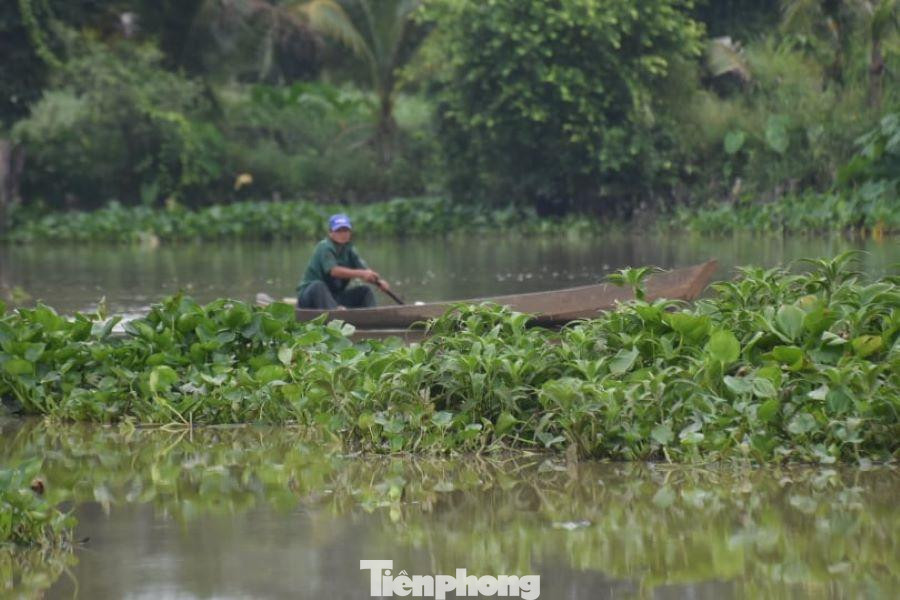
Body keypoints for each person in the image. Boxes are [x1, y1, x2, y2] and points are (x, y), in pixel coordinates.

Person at [296, 213, 390, 309]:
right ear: (330, 232)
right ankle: (335, 315)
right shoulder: (324, 247)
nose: (343, 234)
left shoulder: (350, 250)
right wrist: (362, 273)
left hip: (333, 298)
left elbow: (366, 272)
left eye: (346, 230)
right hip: (309, 297)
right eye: (338, 231)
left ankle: (372, 316)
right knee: (318, 286)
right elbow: (334, 271)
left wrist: (379, 281)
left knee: (365, 291)